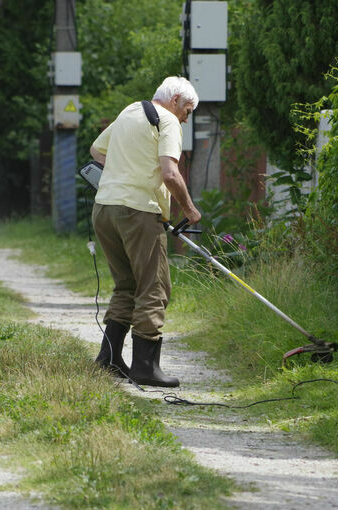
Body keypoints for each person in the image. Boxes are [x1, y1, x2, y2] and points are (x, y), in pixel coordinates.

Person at [89, 76, 201, 387]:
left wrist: (125, 171)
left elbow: (96, 151)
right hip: (138, 213)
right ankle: (145, 367)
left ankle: (108, 360)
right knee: (154, 288)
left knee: (126, 285)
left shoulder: (129, 112)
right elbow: (170, 172)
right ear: (176, 99)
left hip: (104, 209)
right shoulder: (168, 121)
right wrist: (190, 210)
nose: (186, 118)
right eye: (188, 111)